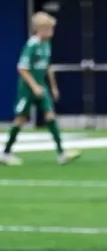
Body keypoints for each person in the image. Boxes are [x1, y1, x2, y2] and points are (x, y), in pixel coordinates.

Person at [1, 11, 81, 166]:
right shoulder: (32, 44)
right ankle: (5, 152)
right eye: (49, 28)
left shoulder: (46, 44)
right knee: (21, 119)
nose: (51, 31)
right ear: (39, 28)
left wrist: (53, 87)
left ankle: (61, 153)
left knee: (50, 116)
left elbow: (47, 66)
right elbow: (22, 68)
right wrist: (34, 86)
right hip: (28, 88)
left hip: (41, 86)